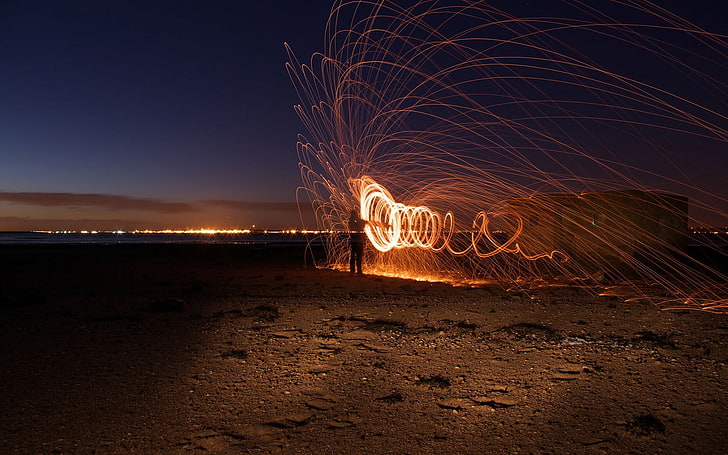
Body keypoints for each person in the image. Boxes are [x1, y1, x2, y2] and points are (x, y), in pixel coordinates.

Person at [348, 209, 366, 274]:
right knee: (356, 256)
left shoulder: (352, 221)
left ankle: (357, 270)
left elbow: (365, 223)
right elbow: (361, 224)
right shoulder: (352, 222)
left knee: (356, 256)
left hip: (356, 241)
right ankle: (356, 270)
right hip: (356, 241)